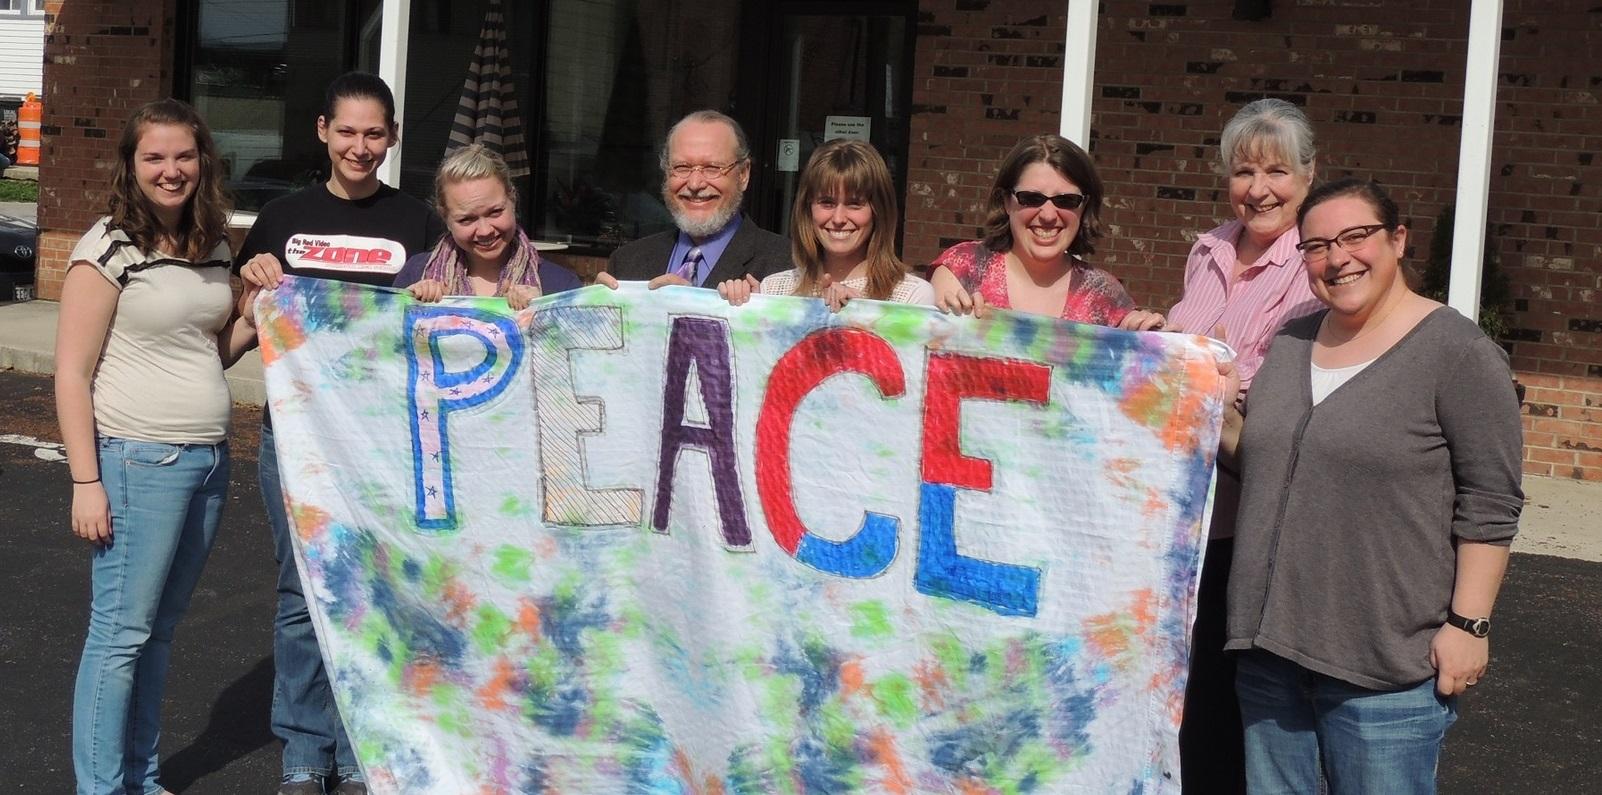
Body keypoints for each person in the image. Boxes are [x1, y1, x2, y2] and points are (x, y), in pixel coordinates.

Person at [1226, 178, 1523, 794]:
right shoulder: (1291, 341)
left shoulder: (1457, 353)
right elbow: (1259, 457)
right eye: (1316, 246)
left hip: (1382, 666)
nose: (1338, 259)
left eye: (1356, 236)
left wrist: (1469, 627)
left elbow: (1491, 501)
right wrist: (1190, 399)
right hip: (1268, 651)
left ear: (1398, 239)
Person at [235, 71, 444, 795]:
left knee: (378, 591)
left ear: (390, 137)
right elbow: (234, 331)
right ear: (322, 131)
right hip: (295, 439)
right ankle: (304, 749)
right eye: (347, 131)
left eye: (374, 133)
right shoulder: (281, 219)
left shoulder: (421, 224)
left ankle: (364, 746)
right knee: (301, 595)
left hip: (386, 444)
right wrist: (251, 283)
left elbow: (447, 324)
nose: (360, 146)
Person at [56, 98, 256, 795]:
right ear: (131, 165)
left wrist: (254, 318)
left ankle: (139, 780)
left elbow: (206, 353)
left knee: (158, 635)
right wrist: (87, 481)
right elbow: (71, 373)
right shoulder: (106, 248)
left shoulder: (213, 242)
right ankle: (101, 787)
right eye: (154, 157)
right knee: (119, 638)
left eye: (183, 155)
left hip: (205, 461)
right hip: (139, 461)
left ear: (203, 160)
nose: (171, 170)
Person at [1158, 98, 1324, 794]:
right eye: (1243, 170)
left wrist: (1225, 391)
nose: (1259, 187)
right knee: (1179, 695)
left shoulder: (1313, 261)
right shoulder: (1209, 250)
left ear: (1311, 175)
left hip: (1250, 516)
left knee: (1239, 706)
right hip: (1176, 514)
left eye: (1277, 170)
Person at [928, 134, 1145, 327]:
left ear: (1085, 206)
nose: (1048, 215)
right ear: (1006, 201)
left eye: (1066, 200)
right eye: (1031, 198)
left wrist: (1151, 338)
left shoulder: (1104, 294)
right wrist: (953, 322)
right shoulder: (964, 267)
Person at [716, 138, 932, 308]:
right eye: (826, 203)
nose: (838, 219)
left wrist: (862, 317)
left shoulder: (912, 296)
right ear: (808, 207)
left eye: (854, 204)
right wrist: (745, 312)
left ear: (879, 211)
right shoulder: (773, 289)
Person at [602, 109, 789, 289]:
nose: (694, 184)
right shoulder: (626, 263)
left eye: (712, 168)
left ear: (743, 175)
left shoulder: (788, 266)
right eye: (682, 167)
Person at [393, 143, 580, 305]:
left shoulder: (560, 286)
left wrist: (547, 312)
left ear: (512, 199)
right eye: (466, 219)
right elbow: (386, 341)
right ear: (445, 217)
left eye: (495, 212)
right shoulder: (416, 272)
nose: (484, 231)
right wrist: (403, 307)